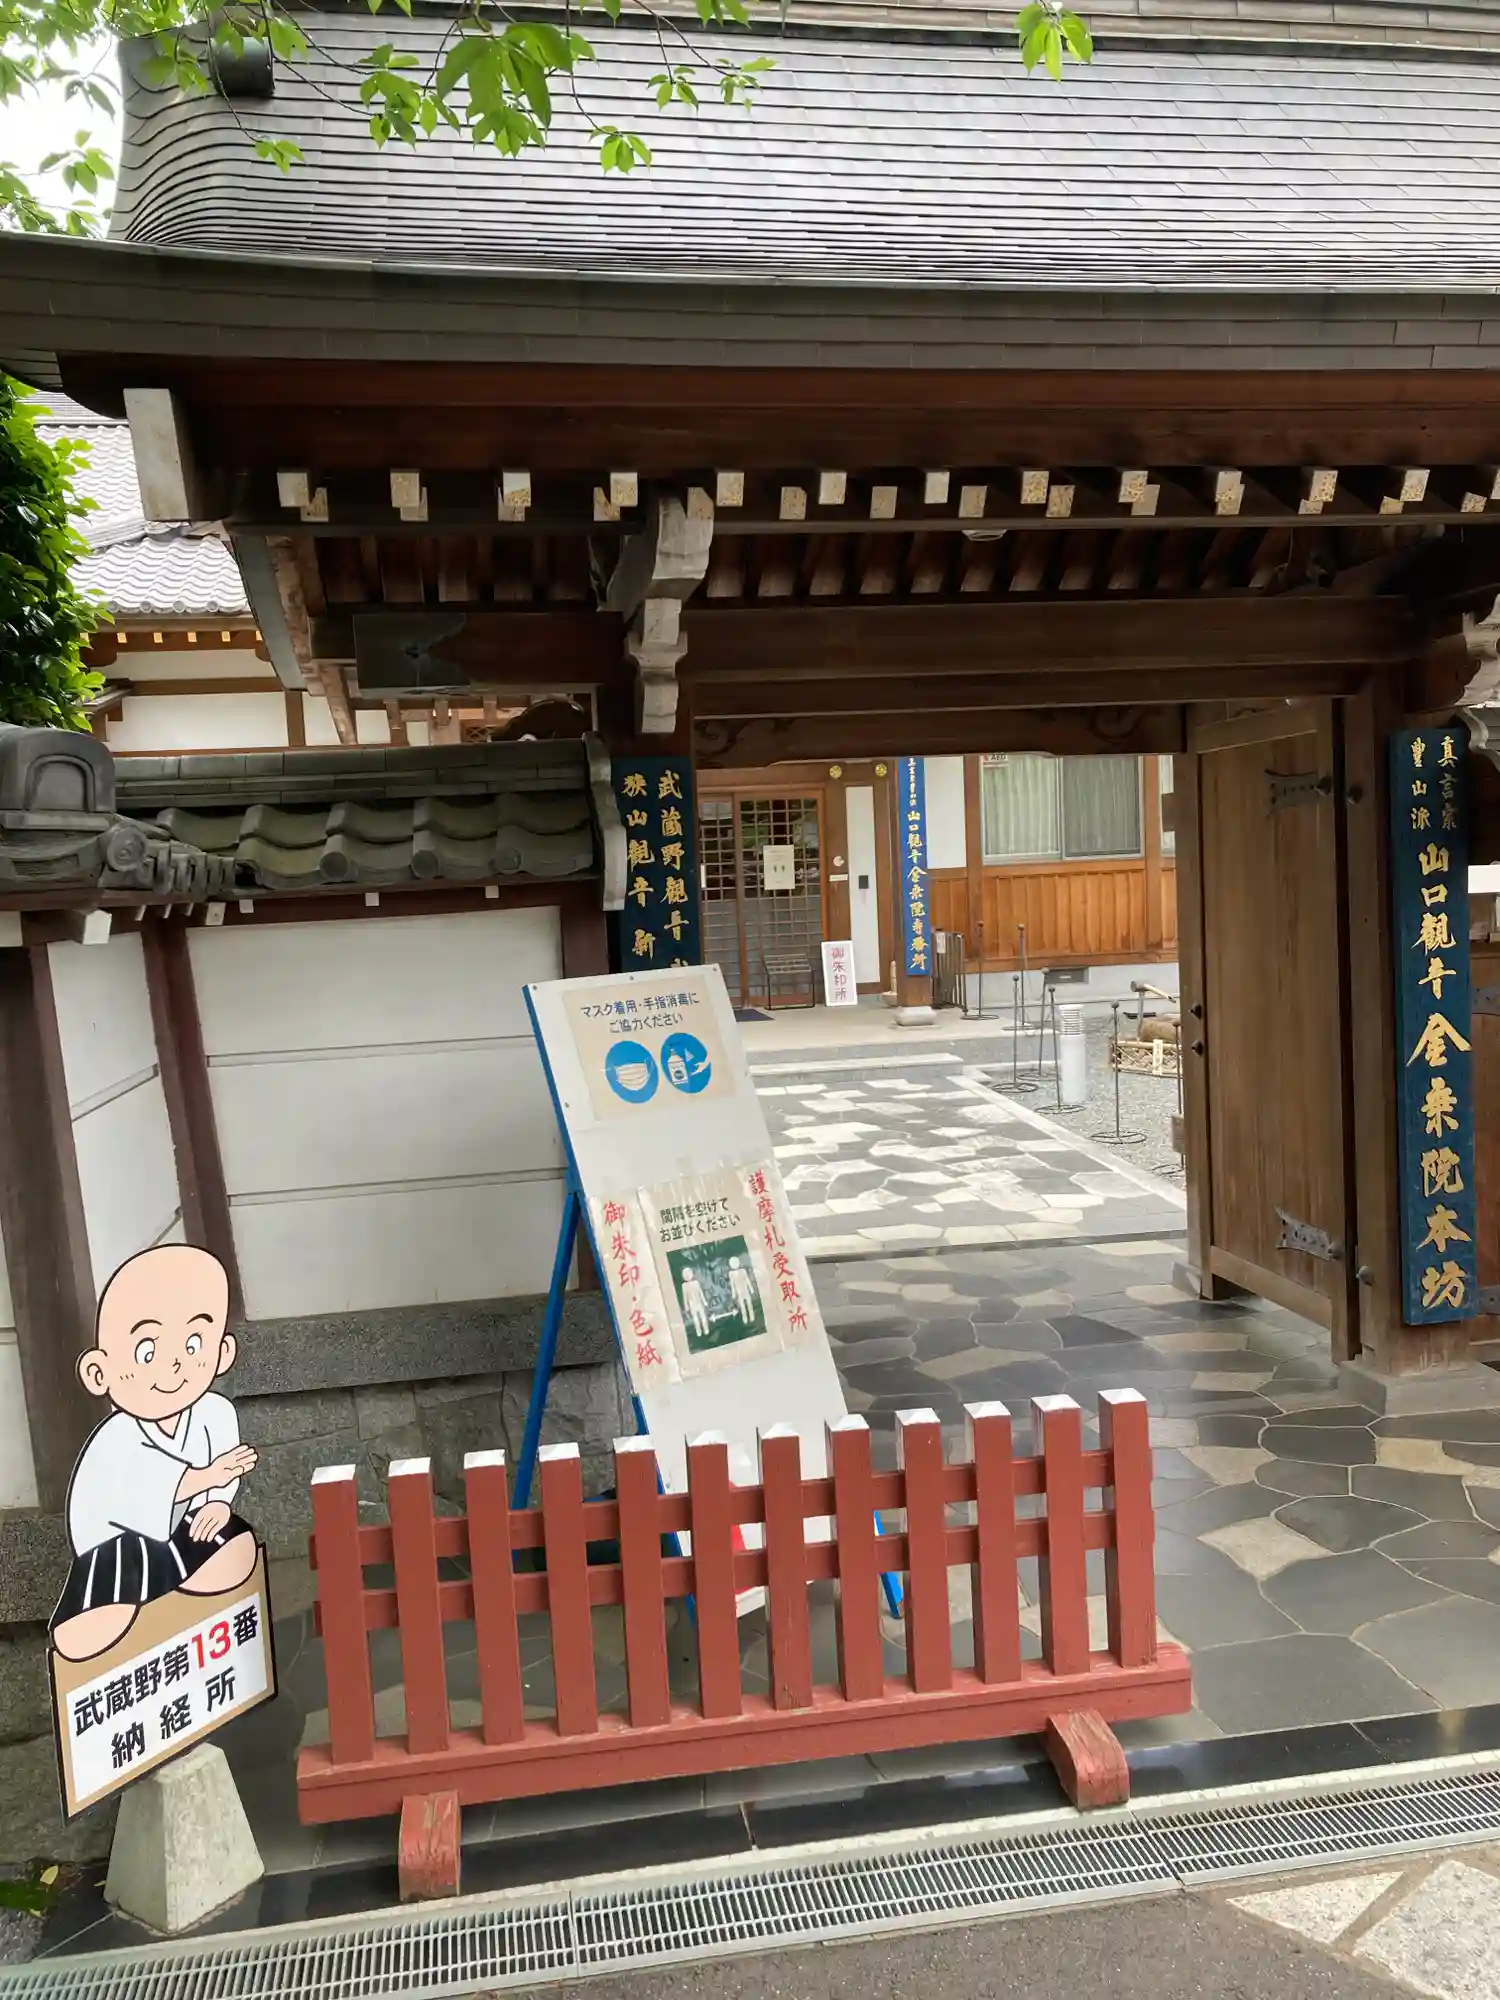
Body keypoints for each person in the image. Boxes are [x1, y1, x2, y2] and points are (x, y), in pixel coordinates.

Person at [50, 1244, 259, 1664]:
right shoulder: (117, 1436)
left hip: (183, 1525)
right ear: (99, 1371)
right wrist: (211, 1476)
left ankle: (180, 1584)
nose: (174, 1365)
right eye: (147, 1351)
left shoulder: (215, 1411)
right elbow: (153, 1485)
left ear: (222, 1353)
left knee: (235, 1546)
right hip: (118, 1543)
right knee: (105, 1597)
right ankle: (108, 1612)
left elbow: (224, 1471)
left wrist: (218, 1501)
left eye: (194, 1344)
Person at [680, 1264, 712, 1345]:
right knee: (695, 1319)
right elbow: (685, 1297)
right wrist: (686, 1306)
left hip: (699, 1302)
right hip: (692, 1305)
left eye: (689, 1273)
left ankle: (706, 1329)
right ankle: (698, 1331)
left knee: (703, 1317)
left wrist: (704, 1301)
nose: (688, 1275)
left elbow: (700, 1292)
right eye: (686, 1274)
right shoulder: (684, 1286)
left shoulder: (696, 1283)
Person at [728, 1254, 757, 1326]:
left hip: (745, 1290)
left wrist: (751, 1288)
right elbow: (732, 1284)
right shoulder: (731, 1274)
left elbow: (747, 1280)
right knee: (742, 1306)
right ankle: (745, 1318)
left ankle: (752, 1316)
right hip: (739, 1292)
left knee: (749, 1304)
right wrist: (733, 1293)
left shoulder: (743, 1271)